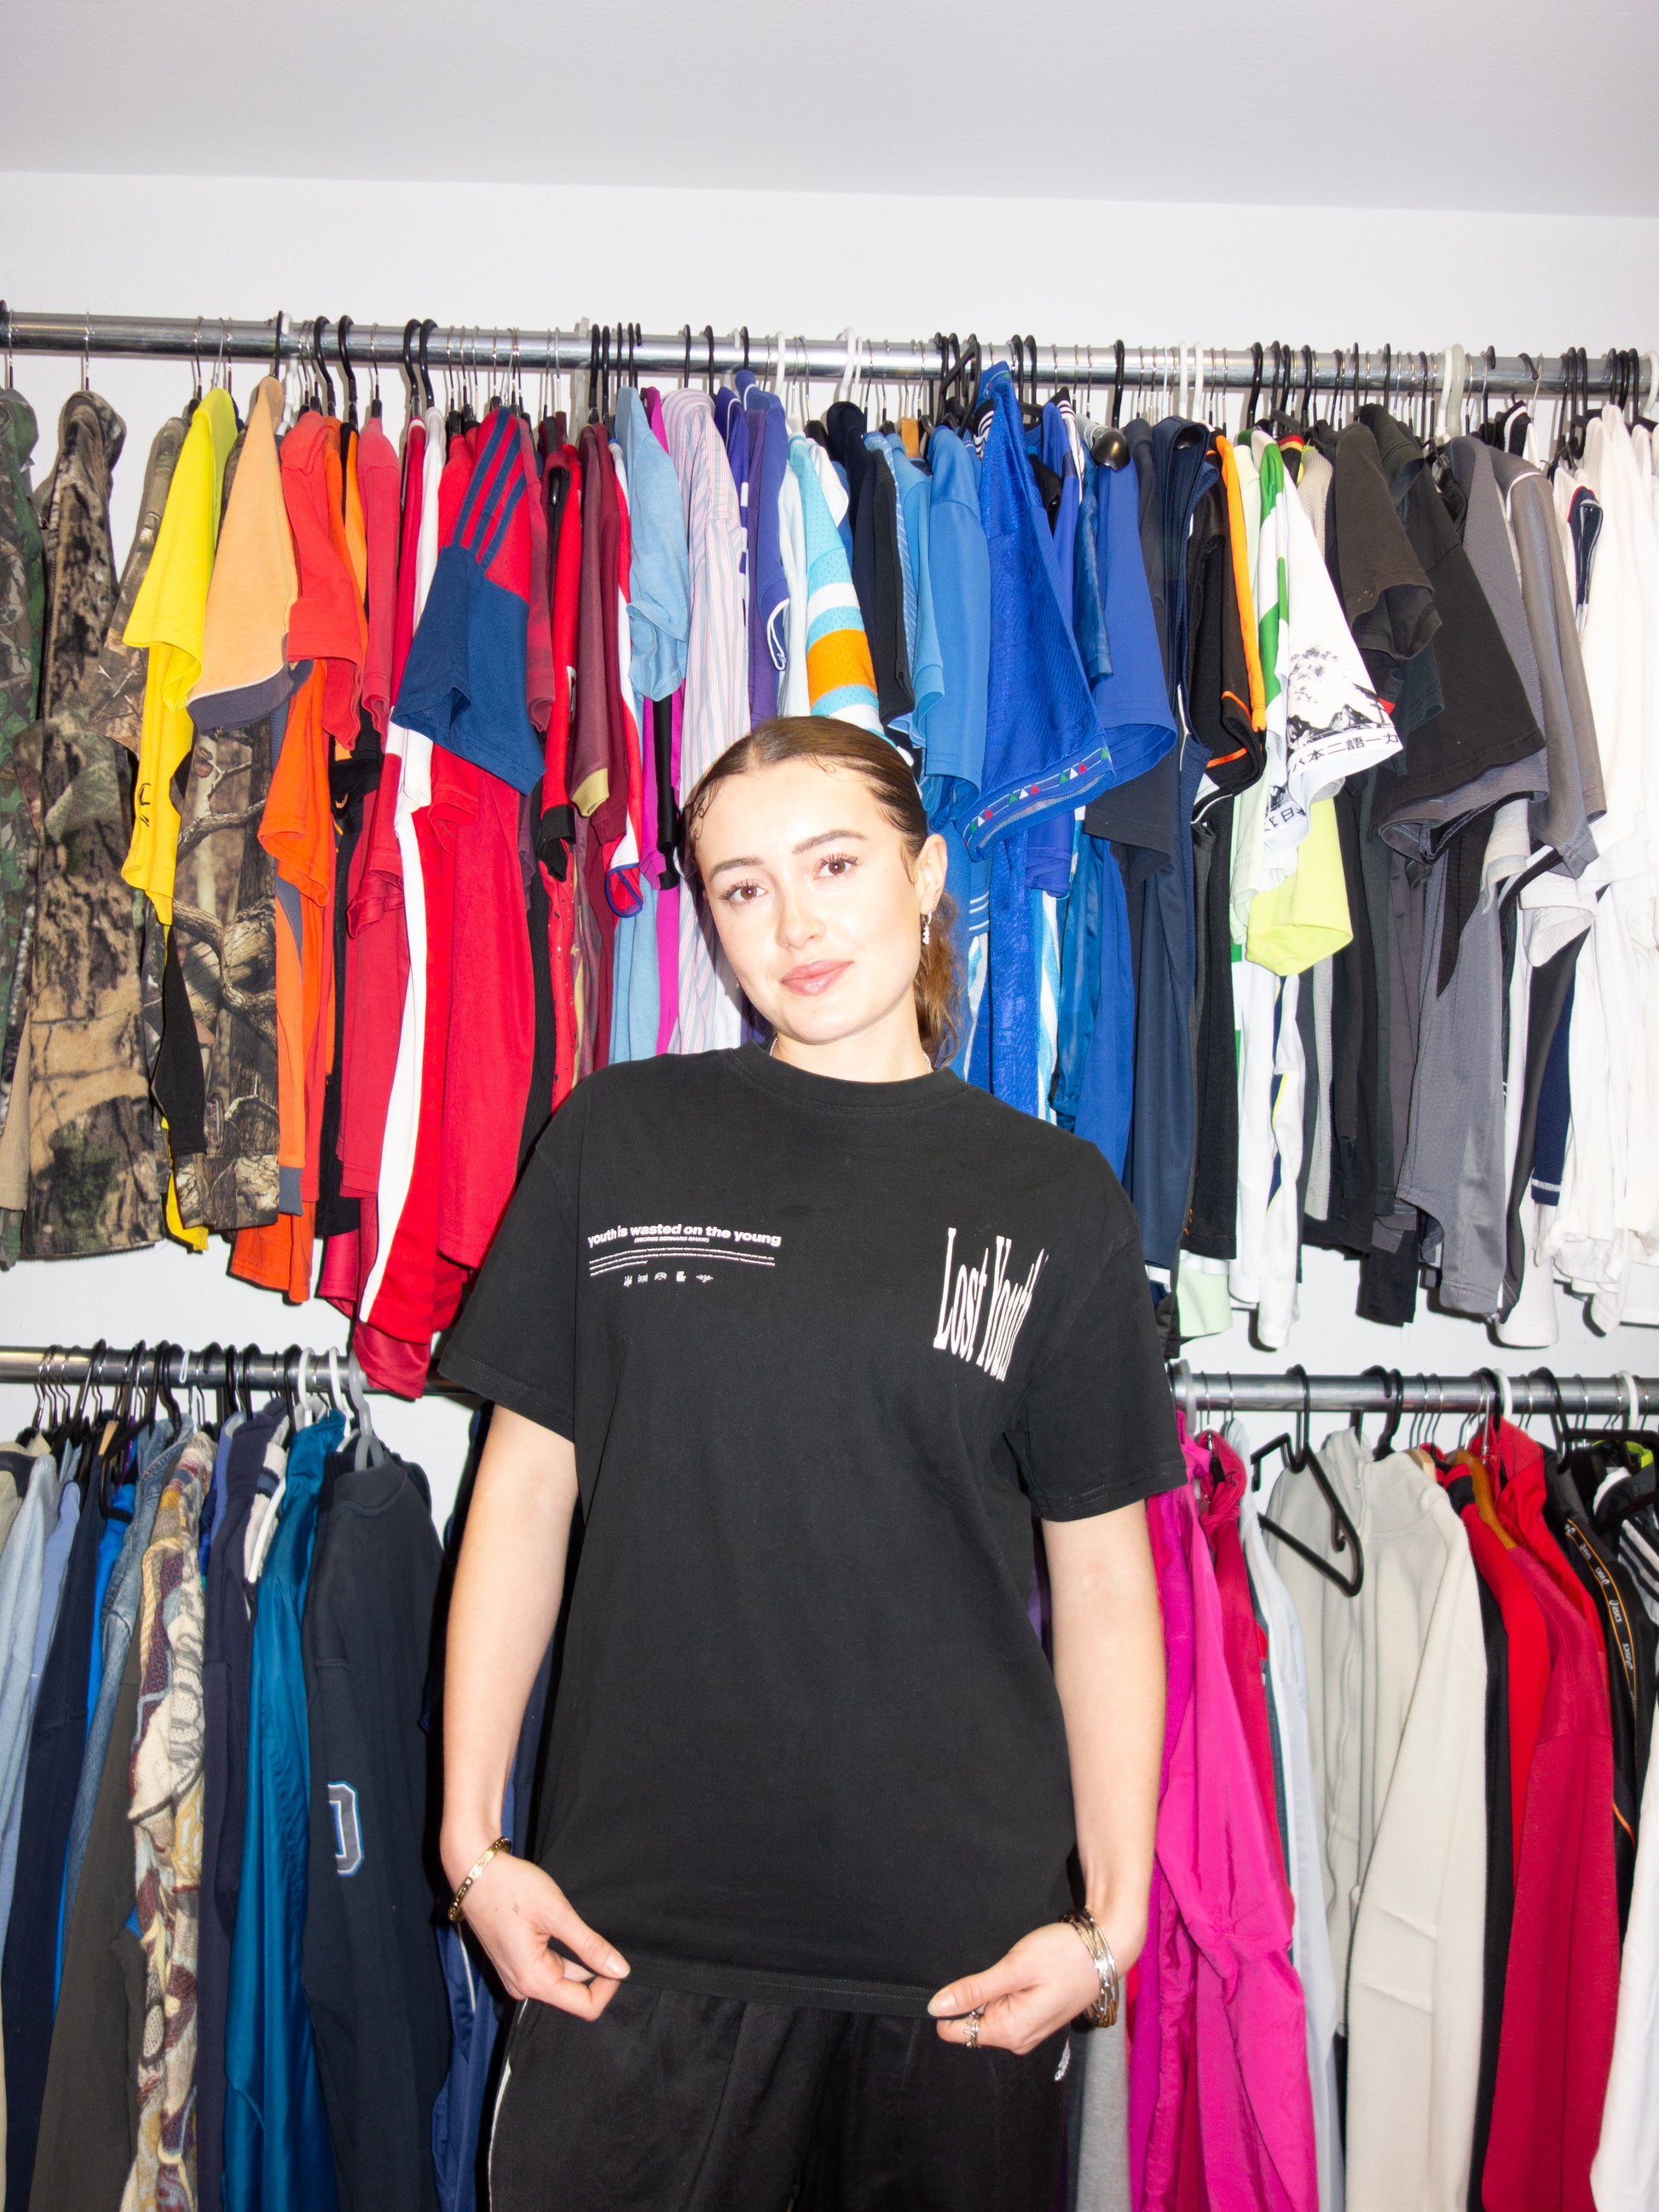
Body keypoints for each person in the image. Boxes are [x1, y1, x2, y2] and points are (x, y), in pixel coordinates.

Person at [437, 716, 1182, 2211]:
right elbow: (517, 1496)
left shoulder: (1052, 1199)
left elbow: (1105, 1583)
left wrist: (1110, 1927)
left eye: (833, 865)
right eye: (742, 887)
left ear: (926, 875)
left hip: (958, 1973)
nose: (792, 923)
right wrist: (468, 1847)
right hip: (628, 1950)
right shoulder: (620, 1138)